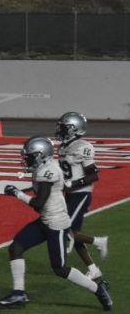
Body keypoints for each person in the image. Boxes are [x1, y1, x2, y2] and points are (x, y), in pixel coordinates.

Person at [0, 136, 112, 311]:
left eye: (29, 156)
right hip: (46, 220)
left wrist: (17, 193)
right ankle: (19, 293)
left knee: (60, 268)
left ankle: (98, 289)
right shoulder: (44, 167)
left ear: (40, 155)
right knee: (16, 247)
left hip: (56, 224)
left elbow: (38, 204)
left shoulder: (47, 171)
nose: (26, 159)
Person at [55, 112, 109, 280]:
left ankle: (98, 241)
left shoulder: (82, 146)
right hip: (69, 194)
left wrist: (73, 184)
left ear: (74, 129)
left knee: (65, 231)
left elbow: (94, 175)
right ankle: (93, 269)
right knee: (73, 233)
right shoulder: (64, 146)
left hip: (81, 194)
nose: (60, 130)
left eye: (64, 127)